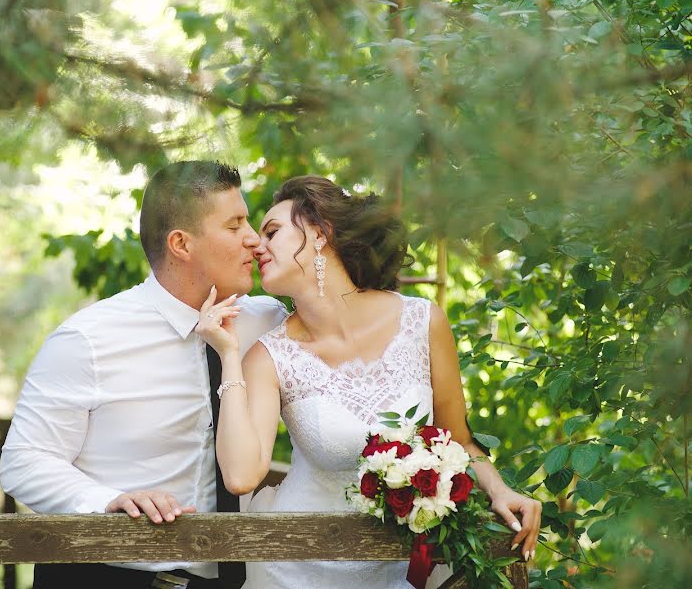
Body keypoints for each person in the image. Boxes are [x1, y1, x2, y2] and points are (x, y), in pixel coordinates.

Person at [195, 175, 542, 589]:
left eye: (272, 231)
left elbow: (459, 439)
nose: (256, 245)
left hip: (390, 570)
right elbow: (240, 476)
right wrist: (229, 355)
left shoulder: (423, 322)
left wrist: (499, 490)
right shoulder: (269, 356)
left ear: (320, 233)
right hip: (293, 567)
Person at [0, 161, 288, 589]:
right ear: (181, 244)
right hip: (103, 580)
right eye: (235, 225)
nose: (252, 239)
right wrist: (106, 501)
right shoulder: (87, 339)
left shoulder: (268, 323)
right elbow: (24, 462)